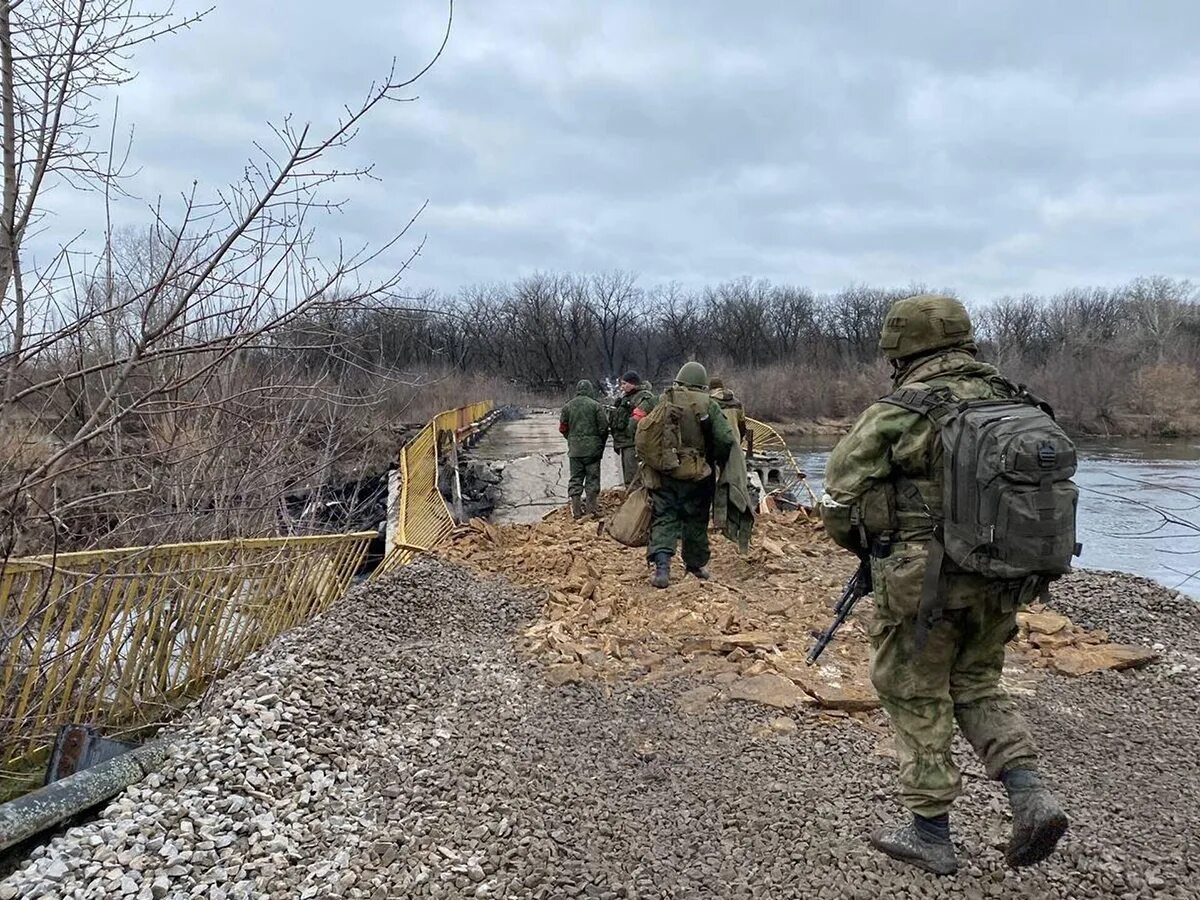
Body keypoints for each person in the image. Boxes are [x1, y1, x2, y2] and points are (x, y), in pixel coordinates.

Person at [819, 294, 1068, 876]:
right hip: (1005, 578)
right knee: (977, 683)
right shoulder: (1016, 399)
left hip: (925, 585)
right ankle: (1029, 791)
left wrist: (870, 540)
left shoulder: (903, 408)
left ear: (901, 346)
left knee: (913, 688)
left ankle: (931, 832)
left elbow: (838, 486)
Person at [642, 362, 736, 588]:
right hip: (698, 475)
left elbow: (645, 432)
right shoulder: (709, 405)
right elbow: (726, 439)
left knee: (664, 517)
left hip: (666, 471)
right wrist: (714, 459)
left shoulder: (664, 399)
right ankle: (694, 567)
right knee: (695, 519)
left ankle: (662, 568)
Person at [559, 379, 609, 518]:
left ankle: (576, 511)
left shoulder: (567, 407)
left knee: (575, 479)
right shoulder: (596, 406)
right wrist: (599, 442)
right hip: (592, 450)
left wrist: (571, 438)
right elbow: (604, 427)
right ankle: (591, 510)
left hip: (575, 451)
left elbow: (562, 428)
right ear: (590, 390)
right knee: (592, 479)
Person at [608, 371, 657, 488]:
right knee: (628, 478)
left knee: (634, 479)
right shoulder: (625, 398)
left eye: (625, 384)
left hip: (634, 443)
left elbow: (637, 421)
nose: (622, 387)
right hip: (625, 442)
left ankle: (637, 503)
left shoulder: (644, 397)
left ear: (633, 383)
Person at [708, 376, 748, 443]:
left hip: (718, 445)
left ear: (710, 388)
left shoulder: (710, 402)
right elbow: (742, 427)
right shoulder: (737, 403)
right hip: (735, 442)